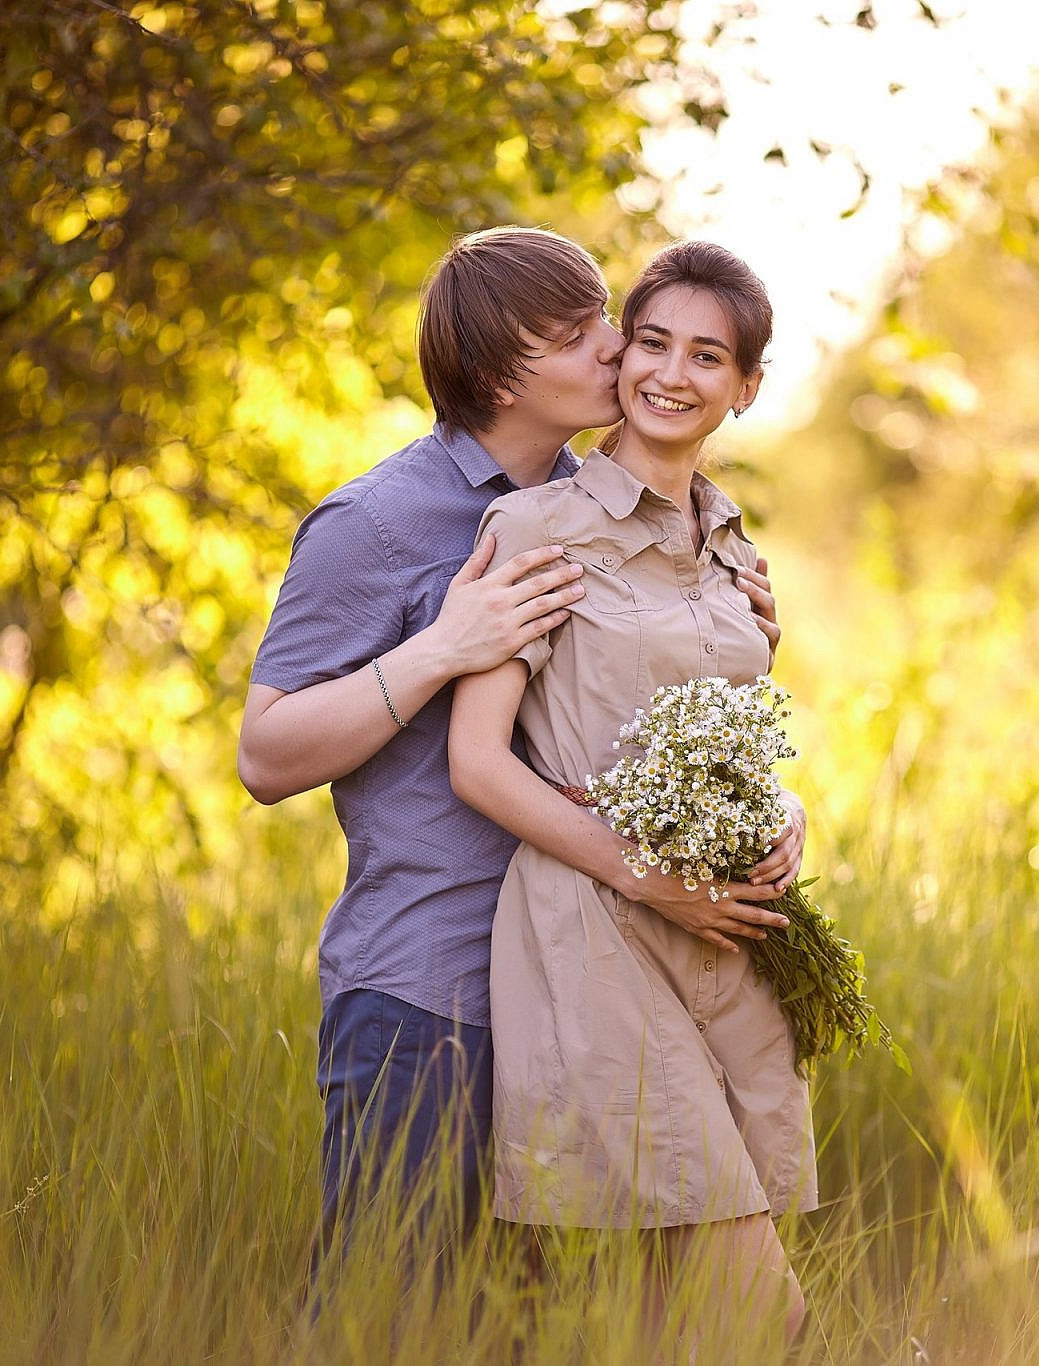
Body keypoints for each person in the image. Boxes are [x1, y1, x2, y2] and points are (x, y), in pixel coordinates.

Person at [235, 227, 802, 1288]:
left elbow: (648, 712)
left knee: (523, 1326)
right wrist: (443, 647)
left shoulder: (602, 511)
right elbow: (265, 753)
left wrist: (744, 641)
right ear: (501, 372)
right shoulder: (379, 522)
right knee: (385, 1317)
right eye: (581, 331)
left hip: (590, 981)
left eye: (605, 319)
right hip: (432, 990)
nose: (615, 348)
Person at [448, 241, 815, 1347]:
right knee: (762, 1309)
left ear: (744, 387)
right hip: (597, 932)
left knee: (681, 1317)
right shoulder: (536, 531)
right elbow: (476, 761)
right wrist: (650, 881)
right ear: (618, 359)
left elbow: (732, 733)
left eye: (708, 355)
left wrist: (785, 813)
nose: (670, 372)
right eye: (650, 341)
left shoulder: (730, 546)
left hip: (721, 944)